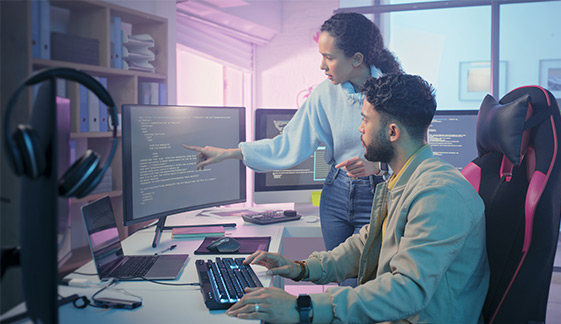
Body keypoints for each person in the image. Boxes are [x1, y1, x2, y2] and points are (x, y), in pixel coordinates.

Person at [225, 73, 490, 323]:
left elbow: (407, 290)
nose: (359, 129)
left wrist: (302, 306)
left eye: (365, 120)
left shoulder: (438, 194)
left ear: (393, 132)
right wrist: (301, 268)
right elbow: (366, 244)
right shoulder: (403, 179)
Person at [183, 13, 403, 257]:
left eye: (329, 57)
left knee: (365, 281)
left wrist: (380, 164)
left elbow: (415, 150)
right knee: (341, 277)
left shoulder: (396, 92)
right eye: (321, 56)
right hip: (335, 193)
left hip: (379, 194)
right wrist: (229, 153)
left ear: (356, 59)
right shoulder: (324, 94)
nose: (321, 66)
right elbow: (287, 144)